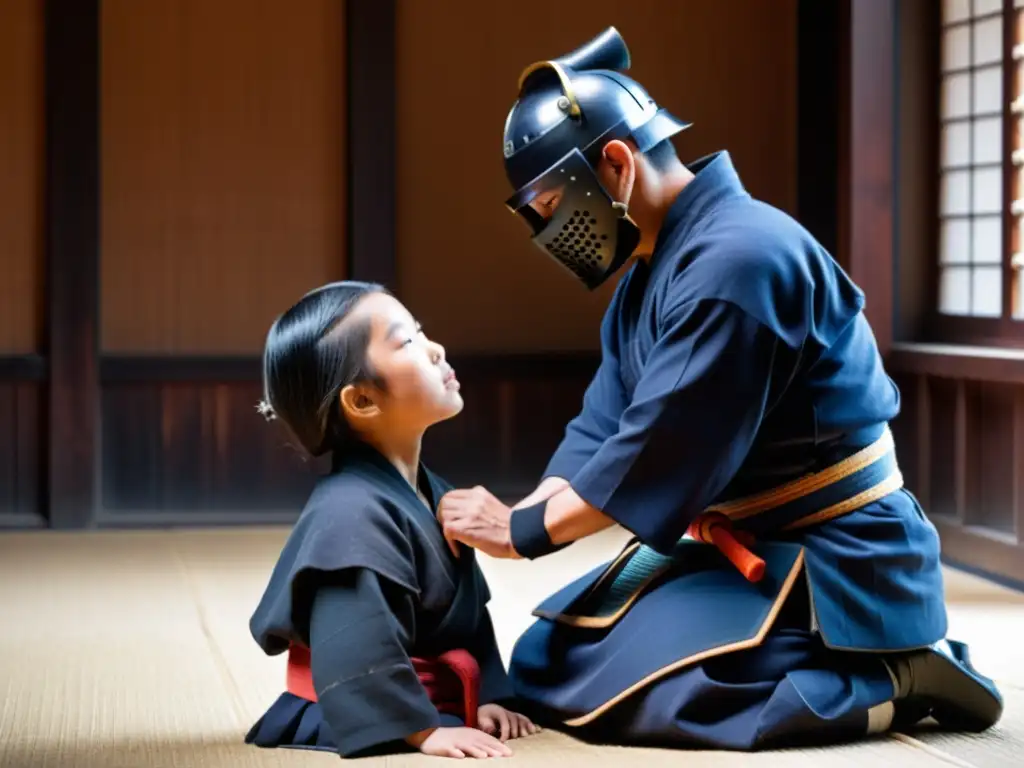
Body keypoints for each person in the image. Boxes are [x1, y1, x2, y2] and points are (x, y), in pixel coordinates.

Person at [437, 27, 1004, 750]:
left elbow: (658, 451)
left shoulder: (739, 261)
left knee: (682, 695)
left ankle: (898, 678)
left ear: (615, 164)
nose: (549, 231)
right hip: (742, 538)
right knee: (549, 661)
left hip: (840, 552)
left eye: (550, 206)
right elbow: (601, 431)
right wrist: (524, 512)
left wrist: (516, 534)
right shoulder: (649, 277)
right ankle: (855, 665)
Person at [244, 281, 538, 759]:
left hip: (422, 699)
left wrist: (487, 696)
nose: (436, 348)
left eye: (421, 331)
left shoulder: (431, 490)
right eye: (406, 342)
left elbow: (470, 616)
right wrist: (422, 732)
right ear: (362, 401)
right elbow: (355, 640)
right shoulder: (348, 513)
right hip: (359, 705)